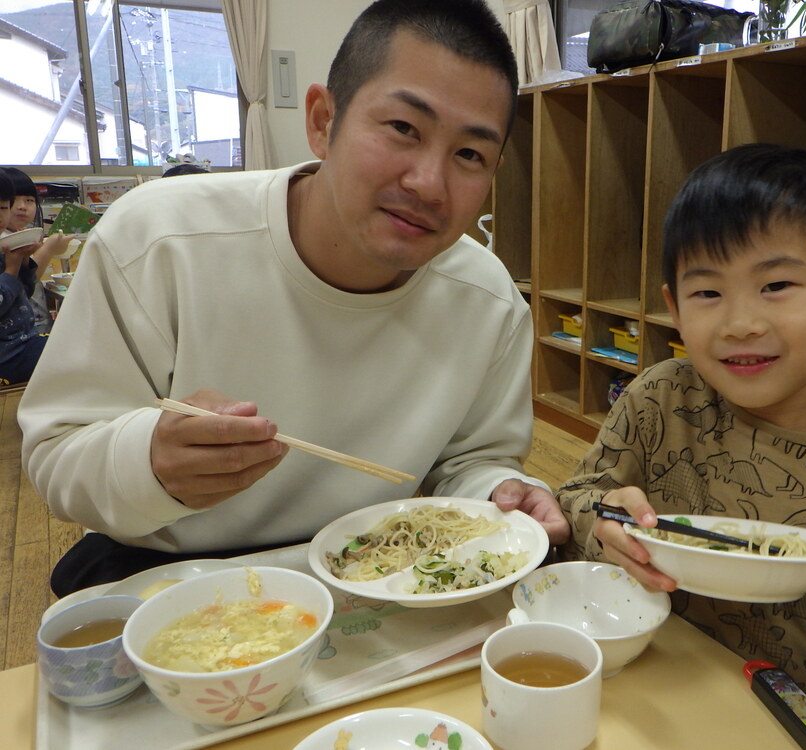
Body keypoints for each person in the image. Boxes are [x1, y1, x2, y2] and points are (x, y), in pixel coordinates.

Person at [19, 0, 568, 596]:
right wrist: (149, 463)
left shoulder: (488, 300)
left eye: (469, 155)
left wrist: (496, 493)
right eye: (404, 129)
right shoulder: (158, 240)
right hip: (170, 570)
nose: (429, 184)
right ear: (322, 120)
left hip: (378, 571)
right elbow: (57, 451)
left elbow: (469, 465)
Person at [557, 144, 806, 750]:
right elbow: (577, 499)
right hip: (655, 707)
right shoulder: (661, 400)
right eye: (707, 293)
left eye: (776, 284)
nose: (740, 322)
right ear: (674, 306)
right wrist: (605, 525)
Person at [1, 167, 72, 333]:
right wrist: (49, 249)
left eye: (29, 200)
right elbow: (19, 284)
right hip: (17, 337)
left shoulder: (24, 234)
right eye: (13, 201)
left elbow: (25, 285)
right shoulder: (4, 240)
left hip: (33, 325)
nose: (22, 207)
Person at [1, 169, 49, 385]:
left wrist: (24, 262)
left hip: (24, 341)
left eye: (3, 208)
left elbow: (25, 292)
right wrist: (11, 270)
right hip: (8, 354)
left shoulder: (4, 247)